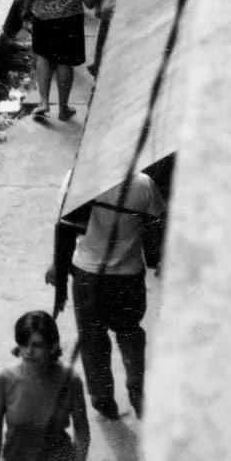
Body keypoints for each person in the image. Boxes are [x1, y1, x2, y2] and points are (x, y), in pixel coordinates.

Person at [48, 173, 166, 421]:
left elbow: (65, 228)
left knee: (92, 340)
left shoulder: (78, 178)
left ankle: (102, 397)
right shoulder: (143, 184)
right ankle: (136, 386)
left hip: (87, 275)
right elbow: (156, 222)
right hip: (128, 274)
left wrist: (56, 269)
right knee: (130, 332)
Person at [0, 310, 89, 461]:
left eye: (37, 345)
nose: (28, 351)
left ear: (53, 346)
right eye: (24, 343)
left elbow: (82, 431)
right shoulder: (4, 380)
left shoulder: (70, 380)